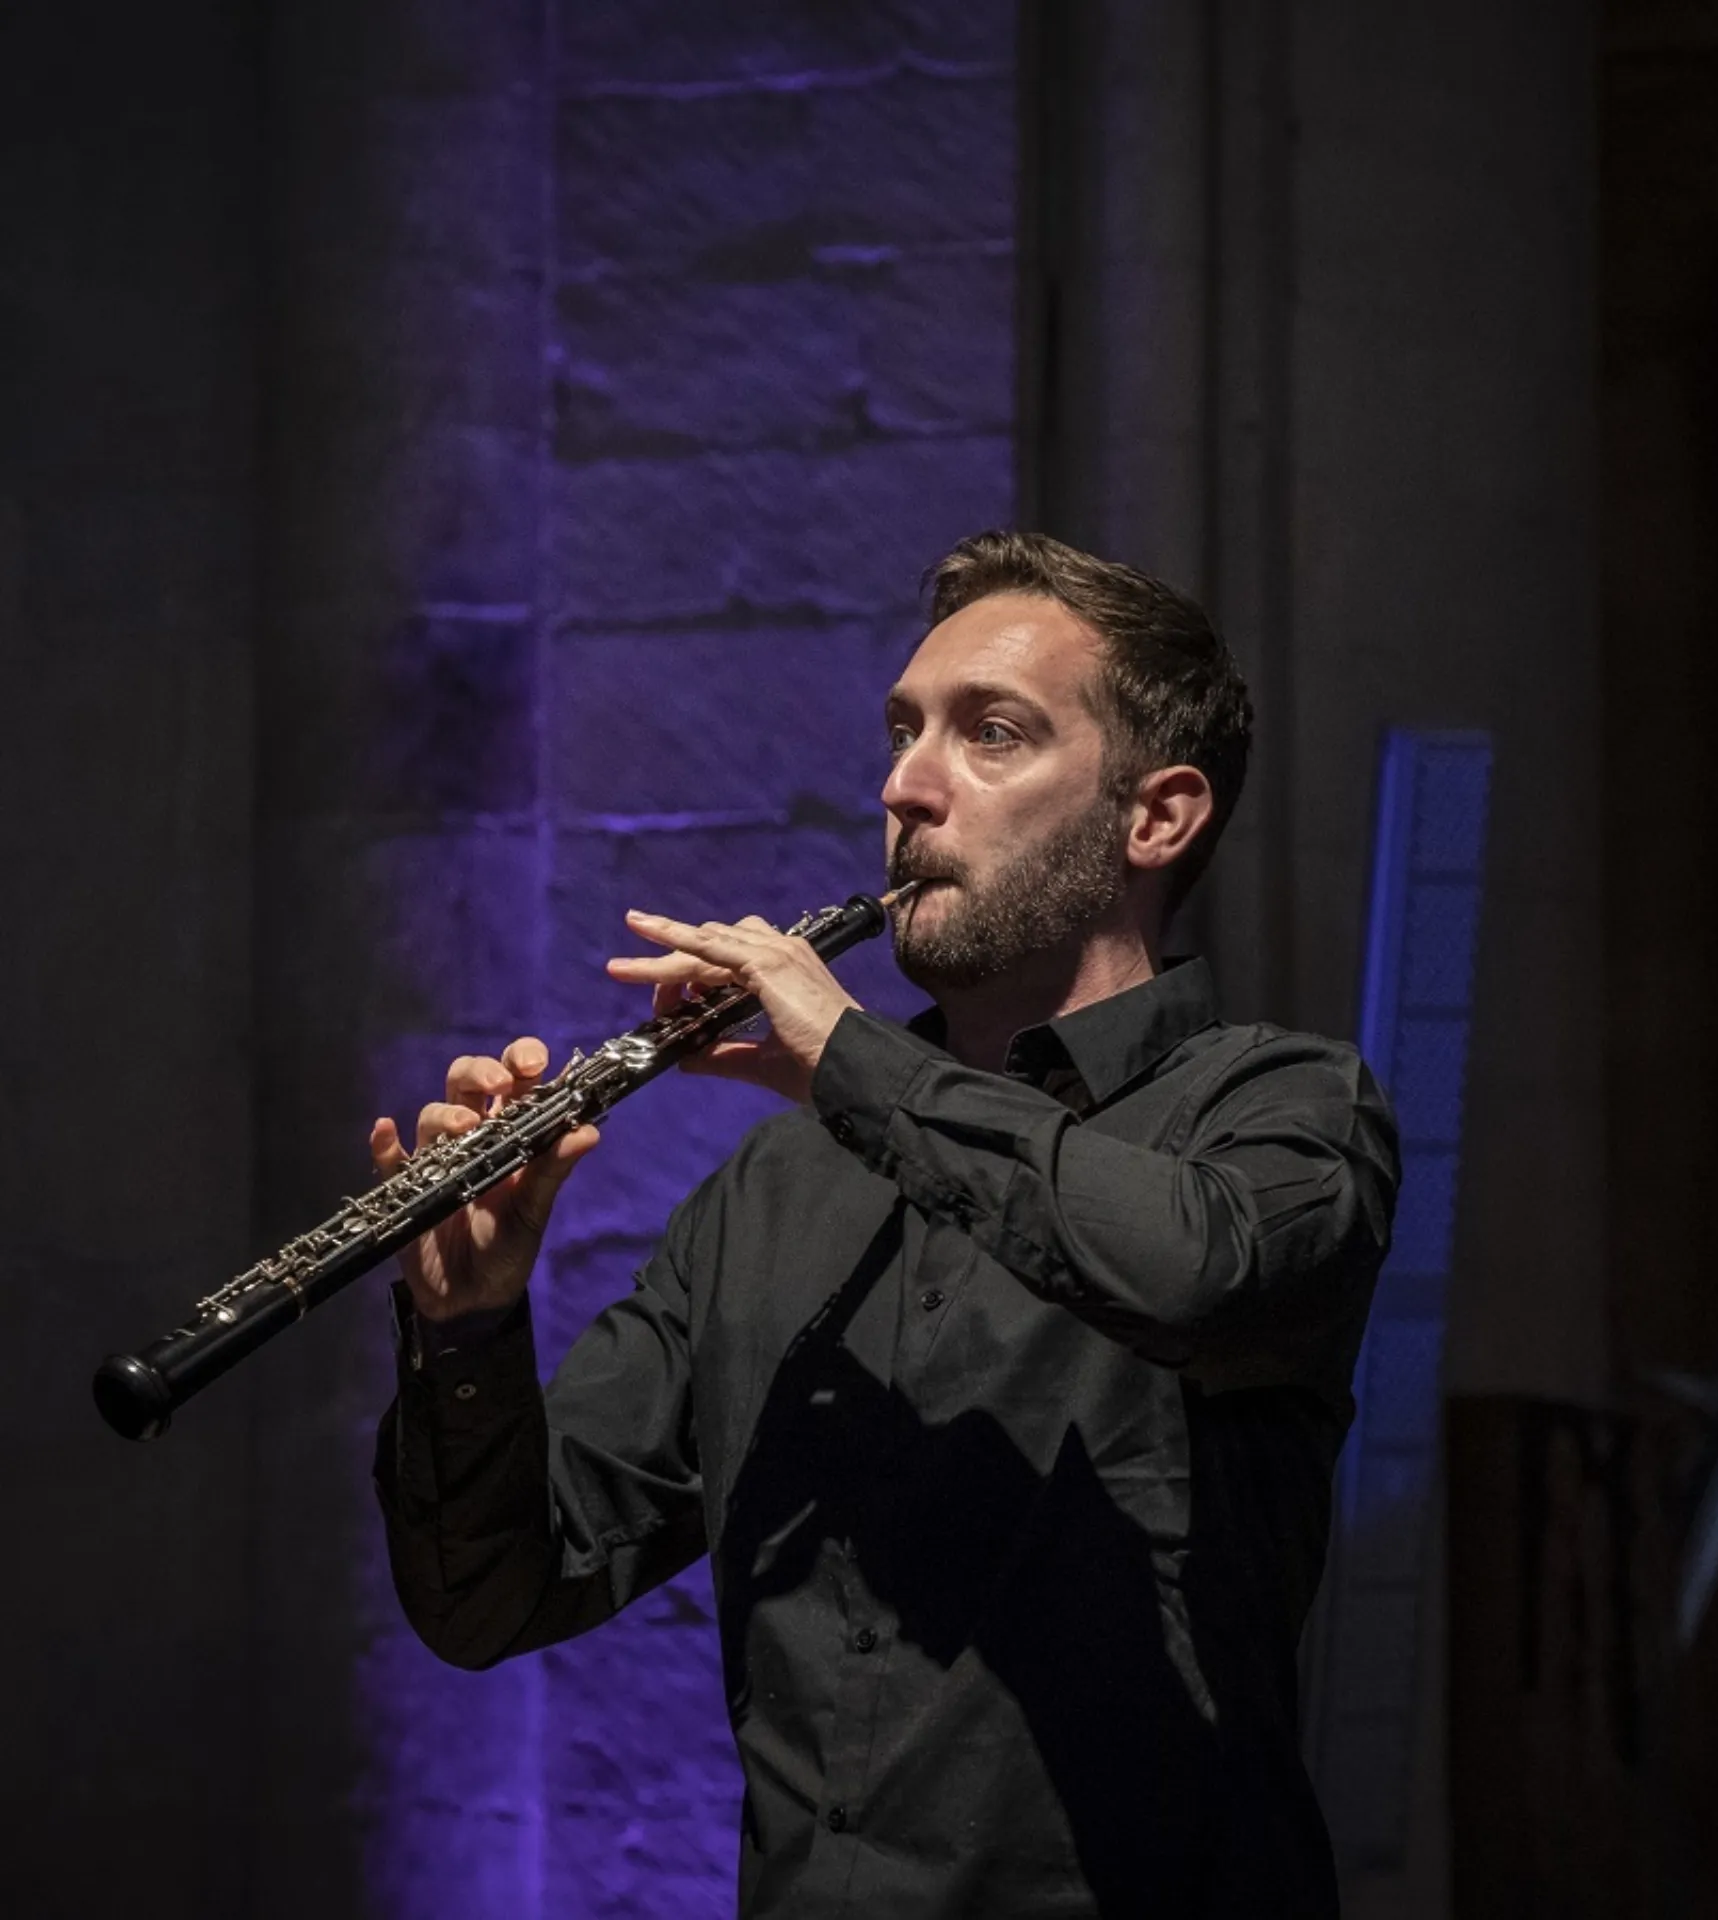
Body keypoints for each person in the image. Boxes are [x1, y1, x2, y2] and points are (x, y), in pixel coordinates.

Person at [371, 530, 1399, 1919]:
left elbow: (1191, 1273)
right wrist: (467, 1325)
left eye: (993, 735)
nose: (905, 786)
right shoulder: (772, 1195)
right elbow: (492, 1595)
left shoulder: (1283, 1108)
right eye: (905, 731)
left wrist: (854, 1061)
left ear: (1155, 819)